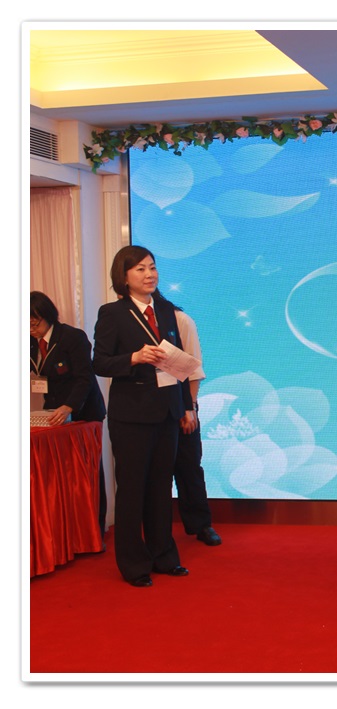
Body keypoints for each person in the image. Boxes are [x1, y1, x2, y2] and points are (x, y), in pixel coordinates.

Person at [92, 245, 192, 587]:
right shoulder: (112, 313)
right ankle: (134, 564)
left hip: (167, 412)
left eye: (152, 267)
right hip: (132, 416)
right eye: (140, 269)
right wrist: (134, 357)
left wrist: (186, 406)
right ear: (124, 277)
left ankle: (164, 556)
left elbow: (177, 361)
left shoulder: (165, 310)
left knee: (161, 488)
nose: (150, 274)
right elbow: (100, 362)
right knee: (133, 491)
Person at [30, 290, 109, 537]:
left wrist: (69, 407)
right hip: (54, 412)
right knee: (59, 474)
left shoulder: (72, 337)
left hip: (84, 412)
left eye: (35, 323)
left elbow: (84, 378)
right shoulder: (28, 341)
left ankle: (95, 529)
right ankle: (66, 530)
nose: (31, 329)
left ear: (47, 316)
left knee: (87, 474)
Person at [171, 305, 222, 546]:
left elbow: (192, 367)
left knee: (189, 466)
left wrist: (189, 406)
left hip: (181, 405)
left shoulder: (177, 319)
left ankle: (201, 524)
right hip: (148, 409)